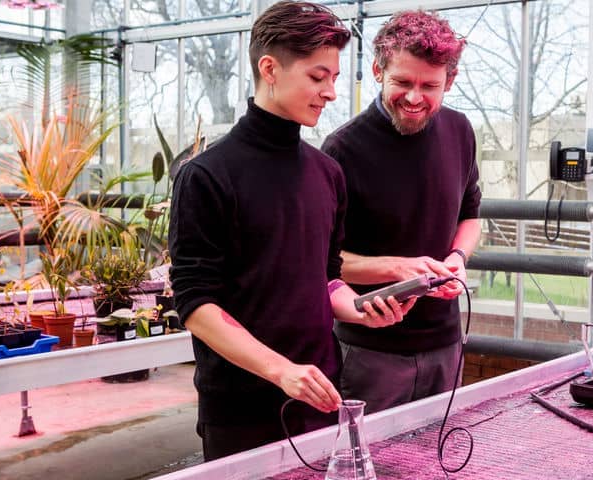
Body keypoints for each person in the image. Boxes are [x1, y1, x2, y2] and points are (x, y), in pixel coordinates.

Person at [169, 0, 413, 461]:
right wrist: (281, 371)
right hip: (240, 406)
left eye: (335, 78)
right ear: (270, 69)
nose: (331, 92)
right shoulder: (206, 175)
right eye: (318, 77)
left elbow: (325, 277)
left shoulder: (326, 173)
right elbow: (196, 305)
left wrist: (360, 310)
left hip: (319, 394)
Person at [321, 10, 482, 414]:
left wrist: (457, 260)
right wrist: (396, 270)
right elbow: (322, 263)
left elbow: (470, 214)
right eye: (402, 82)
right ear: (378, 71)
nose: (414, 98)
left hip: (445, 343)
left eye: (429, 86)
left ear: (451, 80)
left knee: (435, 463)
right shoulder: (342, 150)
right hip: (369, 351)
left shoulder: (460, 131)